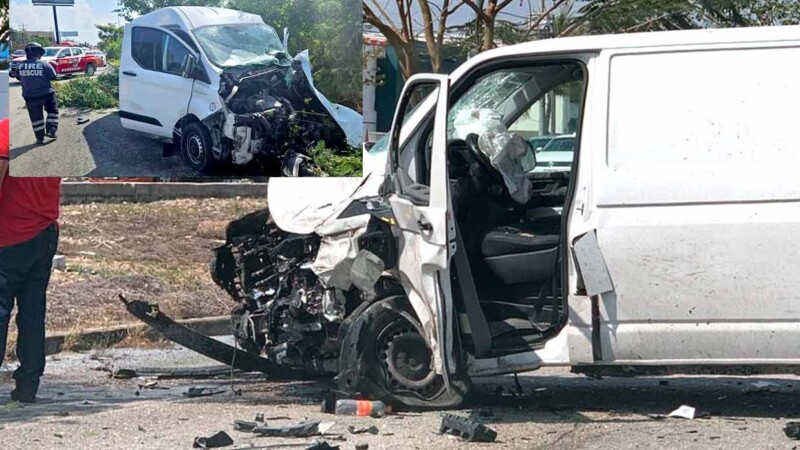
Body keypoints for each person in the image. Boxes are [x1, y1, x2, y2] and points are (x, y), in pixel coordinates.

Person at [0, 117, 62, 403]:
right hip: (44, 234)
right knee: (33, 311)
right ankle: (28, 385)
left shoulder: (6, 132)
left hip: (9, 238)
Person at [15, 43, 59, 145]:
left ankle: (39, 138)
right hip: (46, 94)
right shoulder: (44, 64)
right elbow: (53, 76)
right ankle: (51, 131)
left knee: (36, 118)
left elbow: (17, 77)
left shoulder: (20, 66)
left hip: (30, 97)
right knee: (52, 111)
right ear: (39, 53)